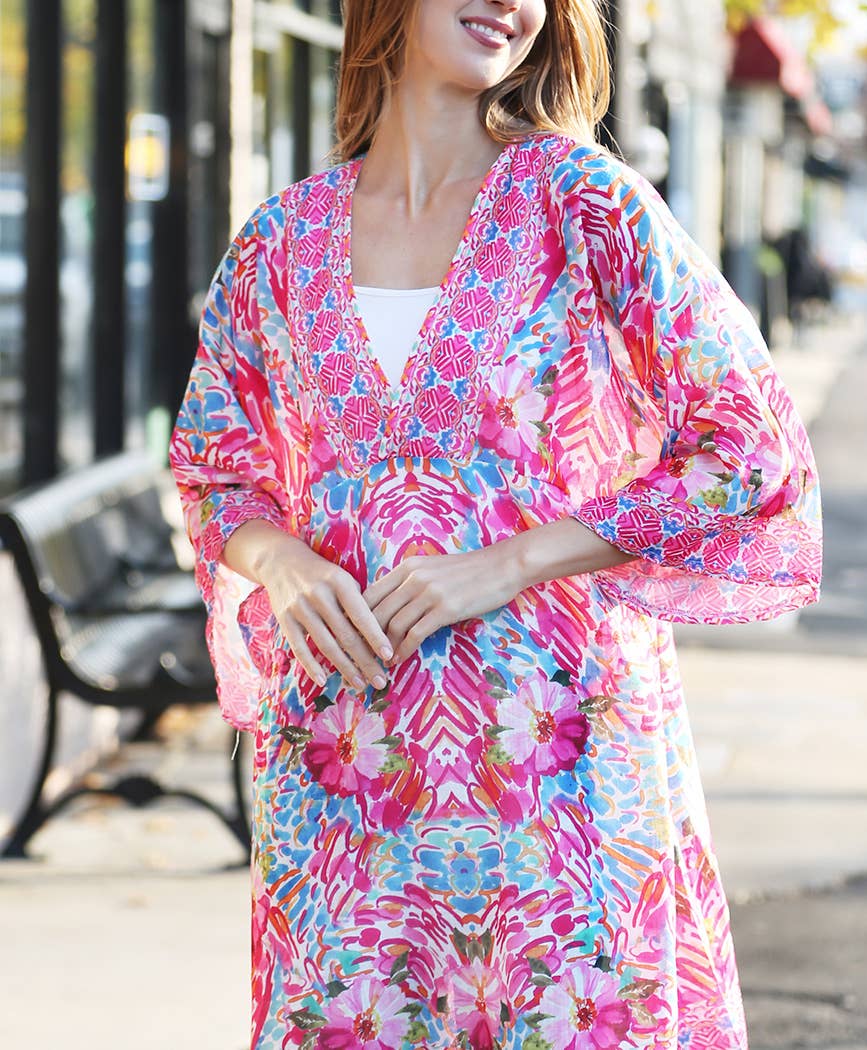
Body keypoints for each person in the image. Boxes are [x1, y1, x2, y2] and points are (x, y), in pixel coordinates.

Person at [169, 1, 822, 1047]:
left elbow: (749, 446)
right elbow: (215, 469)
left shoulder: (584, 204)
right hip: (344, 778)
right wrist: (280, 562)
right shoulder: (279, 240)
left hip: (558, 769)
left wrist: (510, 563)